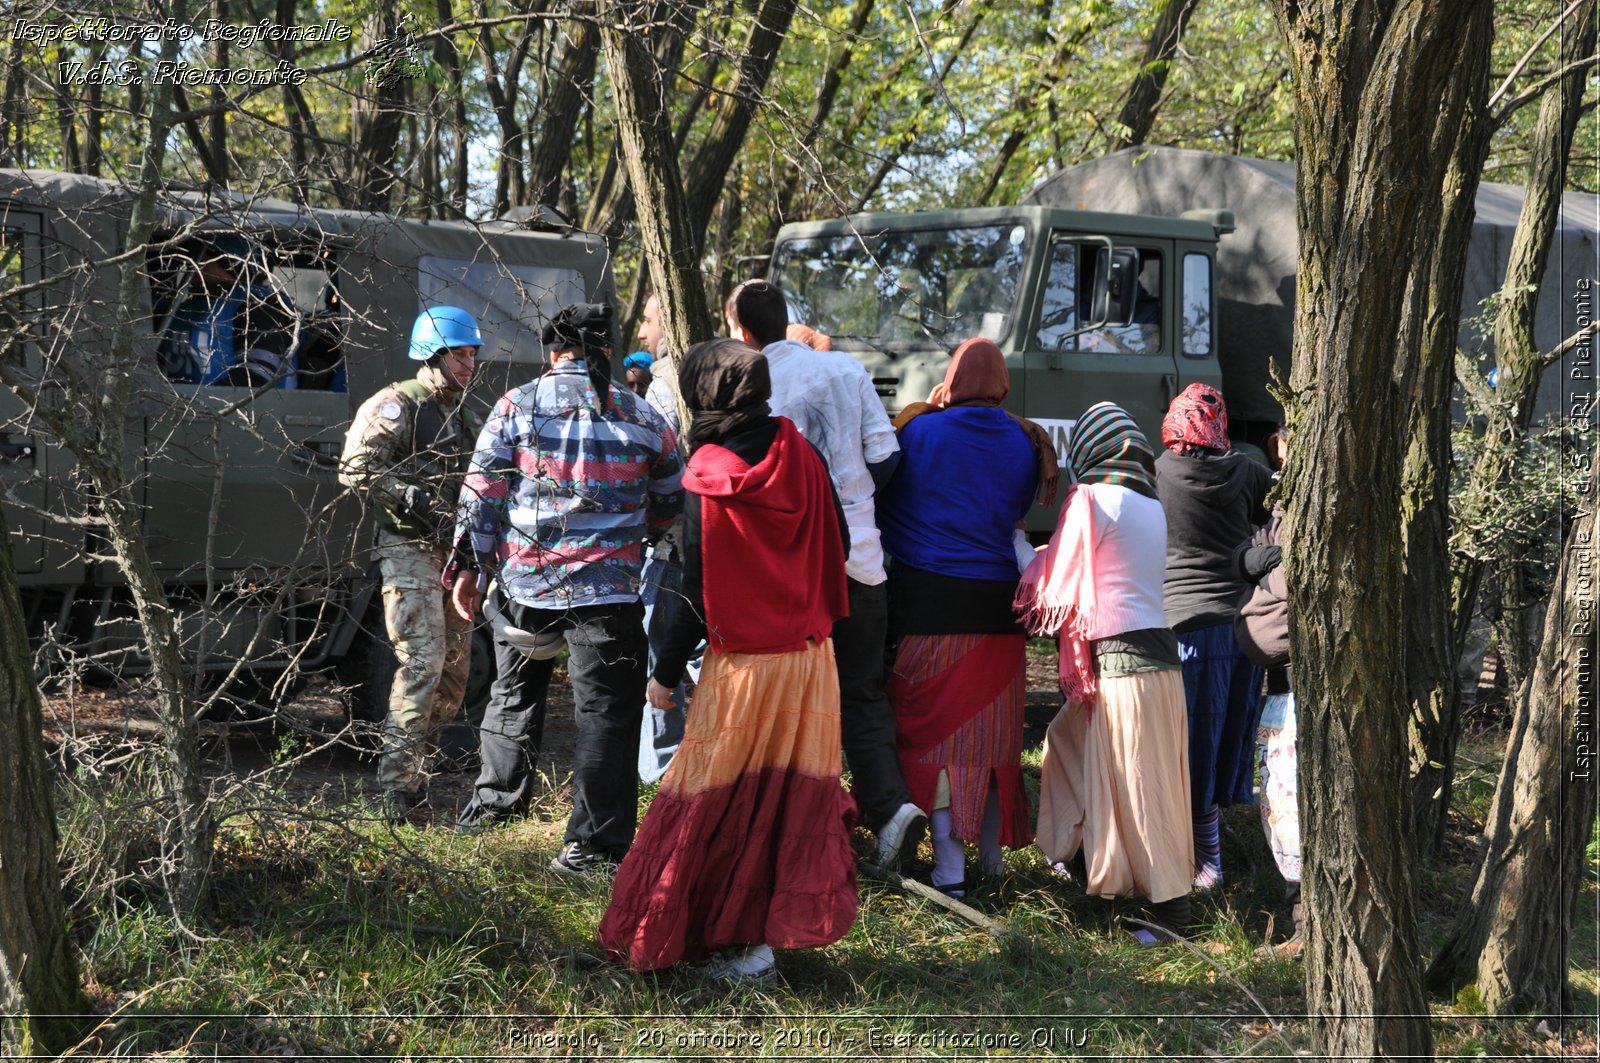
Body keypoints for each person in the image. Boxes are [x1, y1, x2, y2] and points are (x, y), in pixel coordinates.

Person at [599, 338, 857, 983]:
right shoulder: (800, 450)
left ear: (699, 394)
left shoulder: (708, 471)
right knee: (784, 799)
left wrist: (663, 669)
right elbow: (841, 538)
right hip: (809, 659)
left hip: (747, 664)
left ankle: (716, 934)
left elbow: (693, 587)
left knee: (715, 795)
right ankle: (759, 941)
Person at [448, 302, 683, 868]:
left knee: (510, 694)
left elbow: (481, 494)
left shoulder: (517, 405)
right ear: (606, 350)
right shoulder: (645, 416)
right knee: (606, 715)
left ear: (553, 353)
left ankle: (494, 811)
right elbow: (671, 501)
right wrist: (635, 536)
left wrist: (470, 569)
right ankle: (593, 847)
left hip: (526, 586)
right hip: (611, 594)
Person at [724, 278, 926, 869]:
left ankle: (805, 833)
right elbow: (887, 458)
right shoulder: (845, 370)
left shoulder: (753, 382)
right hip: (862, 562)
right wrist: (853, 507)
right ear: (788, 320)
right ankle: (889, 813)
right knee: (863, 692)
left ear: (742, 332)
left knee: (794, 706)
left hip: (795, 571)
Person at [876, 338, 1057, 896]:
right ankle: (995, 866)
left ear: (951, 380)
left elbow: (887, 494)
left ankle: (949, 872)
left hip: (927, 606)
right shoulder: (1028, 440)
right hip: (1002, 611)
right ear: (1001, 383)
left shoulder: (919, 431)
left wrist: (929, 411)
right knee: (991, 742)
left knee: (935, 742)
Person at [1017, 401, 1194, 941]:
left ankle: (1173, 914)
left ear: (1088, 449)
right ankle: (1085, 862)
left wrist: (1018, 544)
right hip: (1159, 666)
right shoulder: (1150, 504)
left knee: (1143, 786)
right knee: (1071, 746)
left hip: (1120, 669)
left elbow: (1057, 582)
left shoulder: (1090, 499)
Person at [337, 306, 483, 822]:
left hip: (453, 553)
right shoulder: (396, 404)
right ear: (432, 356)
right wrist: (409, 494)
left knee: (453, 676)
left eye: (472, 354)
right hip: (408, 548)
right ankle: (395, 790)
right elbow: (354, 467)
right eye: (459, 354)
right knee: (421, 664)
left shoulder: (463, 410)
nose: (468, 363)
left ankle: (416, 770)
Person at [1155, 383, 1272, 890]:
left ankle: (1204, 863)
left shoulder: (1157, 472)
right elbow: (1278, 509)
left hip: (1185, 627)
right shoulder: (1245, 471)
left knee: (1191, 744)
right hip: (1241, 627)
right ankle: (1216, 854)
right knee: (1226, 738)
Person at [160, 235, 300, 388]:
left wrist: (203, 404)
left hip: (237, 409)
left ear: (230, 262)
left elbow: (256, 379)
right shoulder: (181, 307)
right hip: (175, 406)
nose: (192, 261)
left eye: (202, 254)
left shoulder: (258, 308)